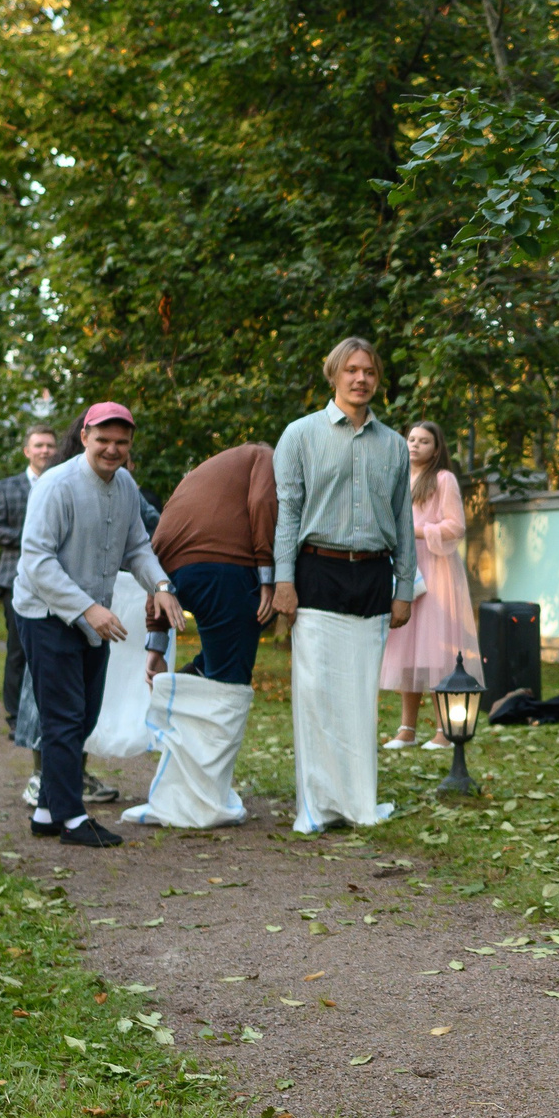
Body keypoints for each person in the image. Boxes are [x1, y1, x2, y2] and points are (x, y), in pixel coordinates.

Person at [11, 401, 183, 847]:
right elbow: (36, 562)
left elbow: (137, 547)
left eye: (120, 442)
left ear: (129, 446)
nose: (111, 449)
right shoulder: (56, 485)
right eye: (102, 440)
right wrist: (87, 608)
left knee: (84, 714)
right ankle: (72, 820)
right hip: (46, 613)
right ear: (84, 436)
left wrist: (160, 585)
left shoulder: (124, 484)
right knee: (64, 716)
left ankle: (47, 811)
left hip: (92, 617)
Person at [270, 338, 413, 831]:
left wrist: (404, 588)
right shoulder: (300, 435)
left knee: (359, 698)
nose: (360, 379)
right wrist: (283, 581)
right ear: (333, 374)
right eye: (351, 370)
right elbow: (287, 513)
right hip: (317, 573)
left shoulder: (394, 445)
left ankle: (358, 802)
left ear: (377, 379)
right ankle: (317, 807)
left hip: (373, 576)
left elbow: (403, 520)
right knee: (317, 696)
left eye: (369, 371)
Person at [143, 441, 278, 687]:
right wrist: (268, 578)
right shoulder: (265, 456)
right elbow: (262, 502)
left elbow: (158, 553)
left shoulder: (201, 475)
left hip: (174, 575)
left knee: (226, 653)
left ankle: (184, 686)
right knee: (229, 683)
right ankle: (184, 707)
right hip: (222, 571)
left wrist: (156, 643)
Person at [380, 422, 482, 748]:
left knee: (436, 649)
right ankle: (407, 729)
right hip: (407, 569)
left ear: (436, 449)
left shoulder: (443, 479)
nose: (415, 445)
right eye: (411, 439)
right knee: (407, 647)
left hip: (436, 570)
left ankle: (443, 730)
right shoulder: (398, 479)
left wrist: (415, 531)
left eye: (424, 441)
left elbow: (456, 526)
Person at [0, 424, 61, 735]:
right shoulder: (7, 487)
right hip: (15, 578)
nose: (45, 450)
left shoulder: (62, 485)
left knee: (53, 650)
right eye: (39, 445)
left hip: (57, 581)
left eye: (49, 445)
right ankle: (15, 716)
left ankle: (48, 714)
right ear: (27, 451)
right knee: (18, 649)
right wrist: (34, 539)